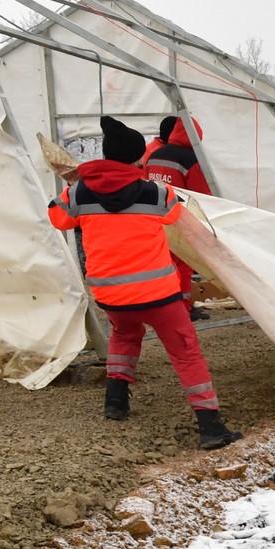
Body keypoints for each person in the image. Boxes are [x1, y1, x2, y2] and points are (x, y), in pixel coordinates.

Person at [49, 117, 242, 450]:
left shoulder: (79, 191)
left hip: (110, 294)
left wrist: (74, 187)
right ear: (139, 157)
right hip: (158, 297)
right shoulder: (155, 192)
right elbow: (178, 218)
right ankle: (210, 426)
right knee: (185, 352)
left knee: (124, 335)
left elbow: (57, 218)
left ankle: (115, 402)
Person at [141, 115, 212, 318]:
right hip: (181, 219)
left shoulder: (155, 155)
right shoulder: (192, 160)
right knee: (184, 265)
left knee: (163, 264)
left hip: (156, 218)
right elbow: (201, 195)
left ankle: (164, 304)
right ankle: (184, 308)